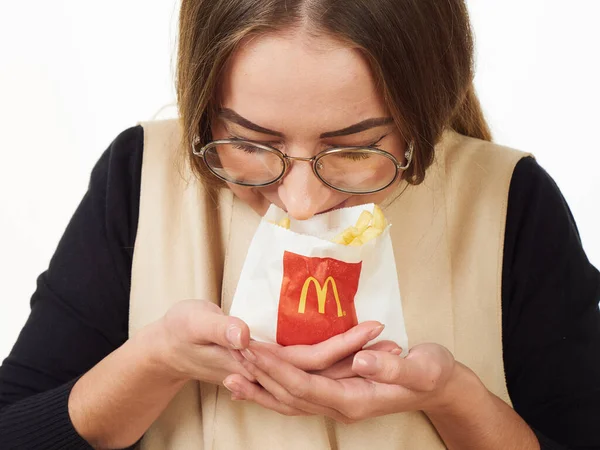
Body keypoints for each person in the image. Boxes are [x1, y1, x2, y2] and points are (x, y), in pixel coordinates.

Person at [1, 0, 599, 448]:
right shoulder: (142, 176)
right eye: (251, 144)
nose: (302, 201)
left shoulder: (509, 201)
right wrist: (155, 360)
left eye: (355, 149)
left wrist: (453, 398)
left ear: (426, 110)